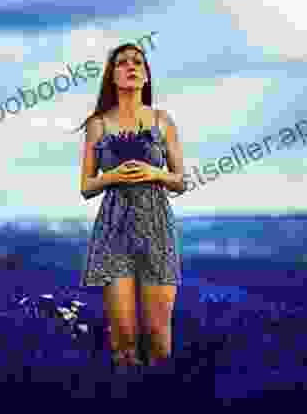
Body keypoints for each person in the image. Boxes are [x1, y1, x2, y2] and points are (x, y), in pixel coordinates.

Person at [73, 42, 186, 371]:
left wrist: (154, 172)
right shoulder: (98, 124)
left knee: (159, 339)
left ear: (147, 75)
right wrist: (112, 176)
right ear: (112, 76)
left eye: (138, 62)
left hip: (157, 228)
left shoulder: (163, 121)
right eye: (122, 63)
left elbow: (181, 181)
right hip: (114, 230)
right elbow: (86, 187)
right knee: (123, 341)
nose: (131, 66)